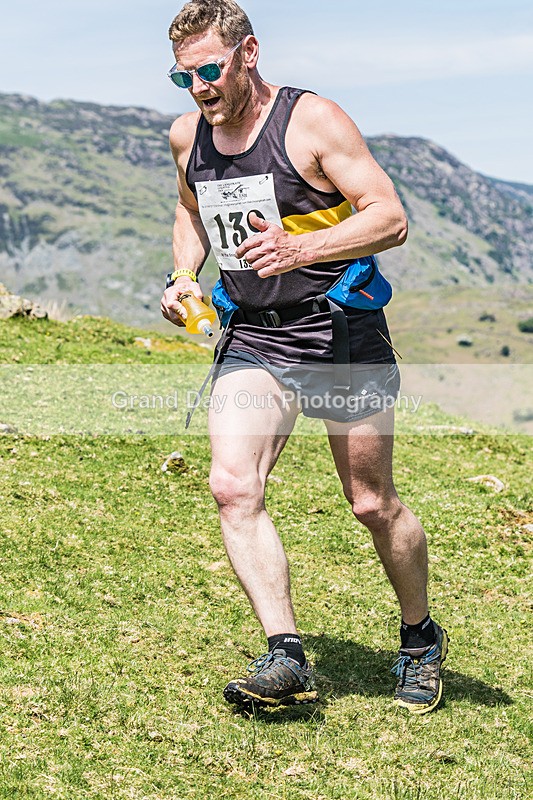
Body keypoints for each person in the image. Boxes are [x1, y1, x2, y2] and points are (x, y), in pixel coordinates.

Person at [161, 0, 448, 715]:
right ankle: (285, 655)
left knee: (370, 504)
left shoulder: (311, 121)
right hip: (256, 334)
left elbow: (389, 216)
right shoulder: (185, 136)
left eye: (209, 69)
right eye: (182, 76)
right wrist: (182, 276)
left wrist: (301, 247)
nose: (198, 87)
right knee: (233, 486)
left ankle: (419, 638)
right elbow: (191, 211)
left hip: (338, 333)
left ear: (248, 53)